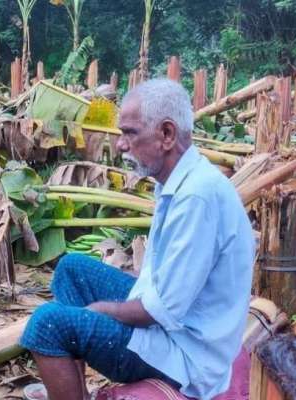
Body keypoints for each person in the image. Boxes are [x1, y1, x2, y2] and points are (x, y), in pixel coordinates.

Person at [20, 78, 255, 400]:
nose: (120, 145)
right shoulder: (180, 181)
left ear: (167, 135)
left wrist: (102, 310)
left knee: (46, 325)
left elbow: (162, 312)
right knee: (71, 268)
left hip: (186, 354)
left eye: (130, 133)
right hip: (177, 326)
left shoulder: (196, 199)